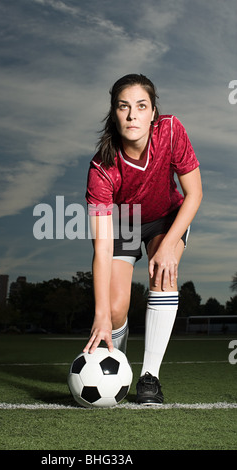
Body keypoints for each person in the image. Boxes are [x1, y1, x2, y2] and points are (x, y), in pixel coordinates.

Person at [83, 74, 202, 404]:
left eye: (141, 106)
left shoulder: (171, 131)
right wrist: (102, 314)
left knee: (164, 273)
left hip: (167, 218)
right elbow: (102, 246)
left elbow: (194, 194)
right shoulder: (101, 168)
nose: (132, 115)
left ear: (153, 113)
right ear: (114, 113)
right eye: (124, 107)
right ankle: (115, 365)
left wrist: (166, 248)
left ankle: (150, 377)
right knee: (117, 308)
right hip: (124, 226)